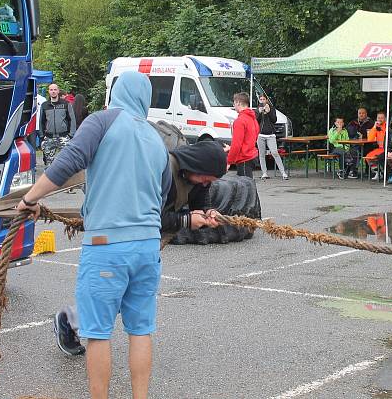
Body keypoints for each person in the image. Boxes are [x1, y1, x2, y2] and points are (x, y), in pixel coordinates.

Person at [16, 71, 170, 399]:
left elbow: (67, 163)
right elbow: (163, 195)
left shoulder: (102, 121)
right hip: (146, 248)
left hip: (106, 246)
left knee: (98, 334)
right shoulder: (156, 138)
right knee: (140, 330)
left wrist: (30, 199)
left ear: (116, 92)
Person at [52, 139, 231, 357]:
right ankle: (69, 319)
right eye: (206, 178)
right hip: (124, 236)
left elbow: (200, 200)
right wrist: (186, 221)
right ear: (197, 165)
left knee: (125, 295)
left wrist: (207, 211)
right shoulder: (161, 168)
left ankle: (73, 318)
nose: (205, 183)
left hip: (149, 243)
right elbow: (145, 215)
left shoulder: (199, 179)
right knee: (111, 294)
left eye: (210, 181)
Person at [39, 83, 77, 166]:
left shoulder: (66, 104)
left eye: (55, 89)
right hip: (49, 138)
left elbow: (72, 120)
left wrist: (71, 135)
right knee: (48, 164)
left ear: (58, 91)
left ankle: (65, 178)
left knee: (67, 162)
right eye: (51, 90)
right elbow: (41, 121)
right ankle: (49, 178)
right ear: (48, 91)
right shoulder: (44, 105)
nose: (53, 91)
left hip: (63, 137)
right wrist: (42, 137)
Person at [255, 94, 289, 180]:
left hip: (270, 135)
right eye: (261, 99)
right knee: (261, 154)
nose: (262, 101)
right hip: (261, 135)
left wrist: (269, 111)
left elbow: (274, 120)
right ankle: (264, 173)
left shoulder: (272, 108)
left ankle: (283, 173)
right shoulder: (257, 109)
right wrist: (259, 112)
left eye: (263, 99)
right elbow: (256, 121)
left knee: (275, 153)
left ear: (266, 100)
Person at [227, 92, 260, 177]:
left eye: (234, 103)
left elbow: (236, 144)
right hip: (251, 156)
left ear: (238, 103)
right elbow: (255, 135)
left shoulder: (240, 121)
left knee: (246, 188)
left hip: (244, 158)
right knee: (248, 186)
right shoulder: (253, 118)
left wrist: (228, 161)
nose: (233, 106)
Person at [346, 107, 374, 178]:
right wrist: (356, 134)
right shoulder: (353, 122)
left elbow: (373, 133)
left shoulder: (371, 123)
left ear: (366, 114)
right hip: (355, 144)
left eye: (363, 113)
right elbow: (349, 131)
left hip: (367, 144)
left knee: (368, 151)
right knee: (354, 151)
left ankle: (368, 171)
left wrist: (364, 135)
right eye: (360, 113)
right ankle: (353, 171)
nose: (361, 115)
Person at [365, 112, 388, 180]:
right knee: (368, 157)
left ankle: (390, 173)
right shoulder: (376, 127)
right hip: (380, 149)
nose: (380, 119)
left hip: (387, 148)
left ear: (385, 119)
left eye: (382, 118)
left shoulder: (388, 126)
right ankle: (378, 172)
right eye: (378, 118)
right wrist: (374, 127)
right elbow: (370, 139)